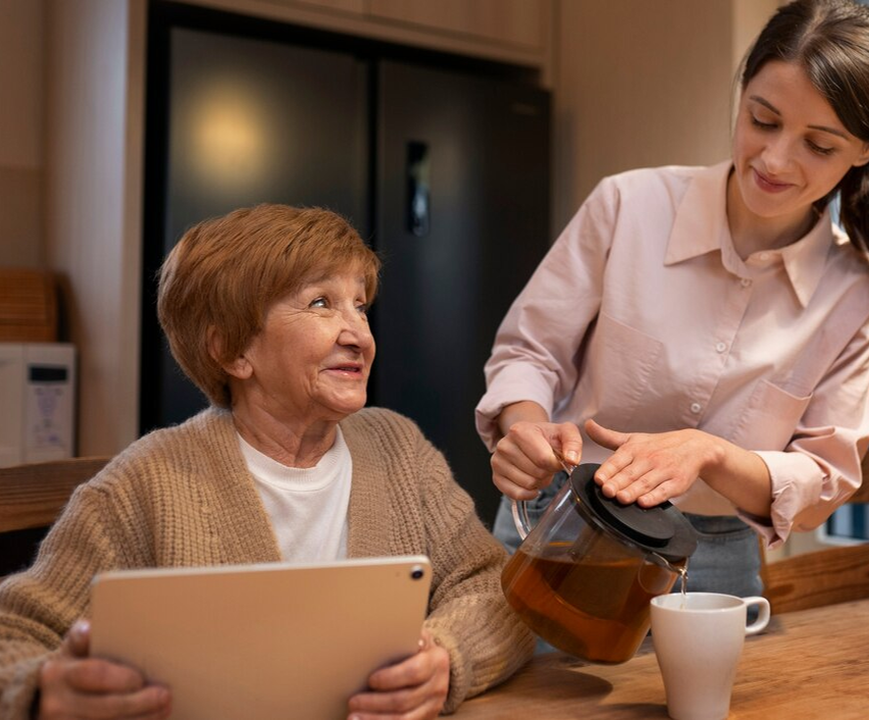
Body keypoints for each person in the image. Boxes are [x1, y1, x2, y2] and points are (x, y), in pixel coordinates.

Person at [0, 205, 534, 720]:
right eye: (321, 304)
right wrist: (42, 691)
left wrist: (444, 657)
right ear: (233, 352)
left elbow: (495, 589)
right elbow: (14, 635)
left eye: (360, 305)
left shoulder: (398, 448)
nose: (359, 335)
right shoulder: (144, 484)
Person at [476, 0, 869, 599]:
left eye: (820, 145)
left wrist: (711, 455)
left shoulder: (856, 293)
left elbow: (822, 476)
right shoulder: (628, 205)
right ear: (743, 92)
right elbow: (529, 351)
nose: (776, 160)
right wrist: (523, 428)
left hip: (713, 556)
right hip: (563, 521)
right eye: (763, 119)